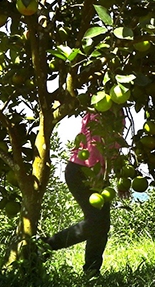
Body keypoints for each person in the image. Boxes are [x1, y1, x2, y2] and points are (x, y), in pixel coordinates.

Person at [44, 112, 121, 277]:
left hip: (98, 174)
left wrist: (118, 174)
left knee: (101, 224)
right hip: (82, 170)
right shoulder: (99, 109)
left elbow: (113, 146)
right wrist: (94, 173)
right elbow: (93, 143)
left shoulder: (118, 112)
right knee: (97, 222)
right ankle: (46, 246)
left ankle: (92, 271)